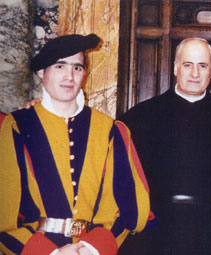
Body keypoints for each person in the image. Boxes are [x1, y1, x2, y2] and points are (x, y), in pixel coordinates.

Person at [0, 34, 151, 255]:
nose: (69, 76)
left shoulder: (109, 129)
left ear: (85, 74)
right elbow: (3, 213)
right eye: (60, 66)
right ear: (42, 72)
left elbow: (126, 208)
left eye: (77, 68)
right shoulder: (18, 126)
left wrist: (91, 248)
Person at [118, 38, 211, 255]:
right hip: (153, 236)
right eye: (188, 65)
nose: (195, 73)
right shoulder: (141, 117)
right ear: (176, 68)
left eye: (202, 66)